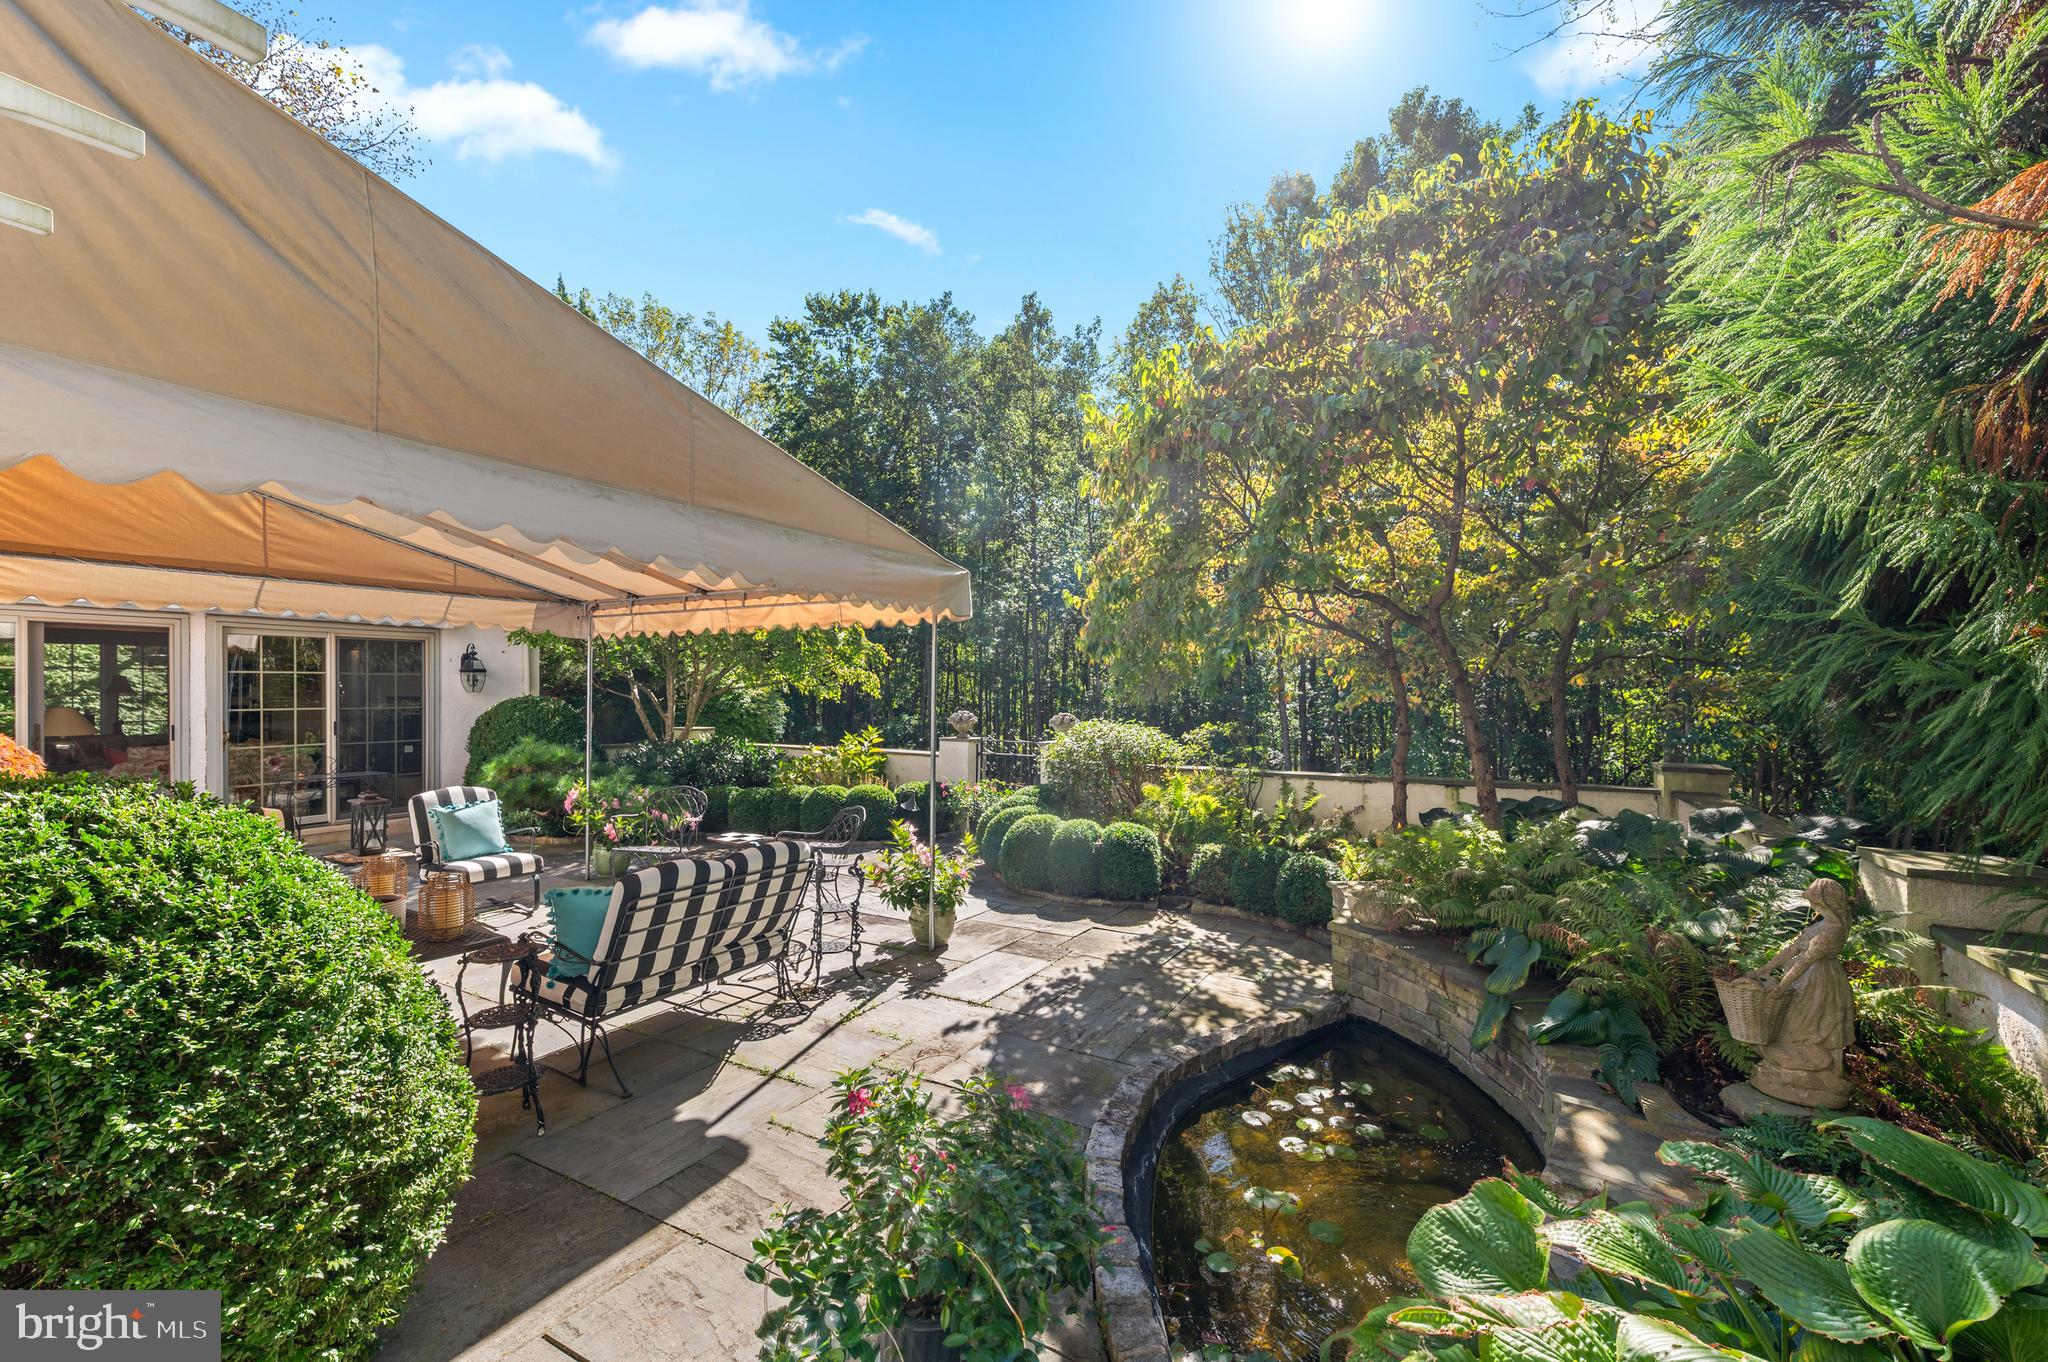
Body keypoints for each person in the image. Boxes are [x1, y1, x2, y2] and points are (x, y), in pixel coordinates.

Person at [1748, 878, 1856, 1109]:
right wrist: (1766, 968)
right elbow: (1793, 949)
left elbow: (1806, 961)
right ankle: (1789, 1069)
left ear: (1825, 902)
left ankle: (1814, 1075)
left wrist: (1782, 986)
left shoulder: (1833, 930)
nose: (1813, 906)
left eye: (1815, 901)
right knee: (1791, 1024)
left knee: (1804, 1026)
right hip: (1805, 980)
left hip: (1819, 984)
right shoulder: (1820, 925)